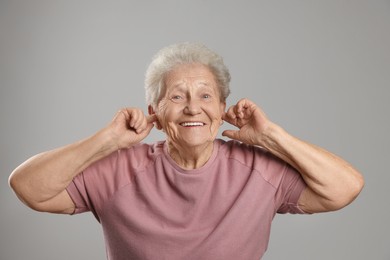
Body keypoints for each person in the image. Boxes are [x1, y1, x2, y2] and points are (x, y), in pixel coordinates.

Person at [9, 42, 364, 260]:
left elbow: (345, 188)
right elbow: (28, 187)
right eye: (177, 96)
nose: (193, 108)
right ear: (155, 114)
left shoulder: (259, 170)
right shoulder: (118, 170)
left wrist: (272, 136)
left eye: (206, 96)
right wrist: (107, 141)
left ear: (222, 107)